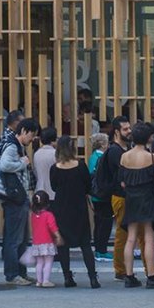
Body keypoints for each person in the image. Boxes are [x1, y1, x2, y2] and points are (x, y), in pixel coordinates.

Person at [118, 120, 154, 288]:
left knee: (130, 238)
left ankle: (129, 276)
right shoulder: (151, 157)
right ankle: (152, 276)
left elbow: (122, 183)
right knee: (148, 238)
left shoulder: (125, 156)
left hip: (131, 200)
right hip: (148, 200)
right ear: (148, 138)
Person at [49, 137, 101, 287]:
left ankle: (67, 277)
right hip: (79, 208)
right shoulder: (81, 165)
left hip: (61, 208)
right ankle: (92, 277)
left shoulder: (55, 168)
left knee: (63, 245)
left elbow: (53, 187)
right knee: (85, 244)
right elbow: (87, 185)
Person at [0, 113, 37, 285]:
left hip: (18, 197)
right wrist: (23, 163)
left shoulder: (15, 144)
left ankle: (20, 272)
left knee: (20, 238)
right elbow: (4, 165)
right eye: (32, 135)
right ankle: (13, 275)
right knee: (15, 239)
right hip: (14, 197)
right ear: (24, 131)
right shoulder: (12, 146)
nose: (32, 139)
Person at [99, 115, 131, 278]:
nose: (129, 131)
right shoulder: (115, 151)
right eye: (125, 129)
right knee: (122, 233)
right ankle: (120, 270)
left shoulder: (123, 149)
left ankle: (124, 268)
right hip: (120, 196)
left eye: (129, 128)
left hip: (125, 196)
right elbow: (121, 176)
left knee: (129, 233)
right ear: (117, 132)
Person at [86, 132, 114, 262]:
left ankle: (99, 249)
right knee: (105, 223)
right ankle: (101, 250)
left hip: (96, 194)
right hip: (102, 194)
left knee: (99, 223)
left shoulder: (93, 157)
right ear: (103, 144)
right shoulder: (101, 157)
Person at [28, 190, 62, 287]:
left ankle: (39, 281)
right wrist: (58, 236)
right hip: (47, 242)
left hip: (36, 242)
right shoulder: (48, 215)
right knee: (48, 262)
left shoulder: (33, 215)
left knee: (39, 262)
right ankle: (46, 280)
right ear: (47, 203)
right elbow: (53, 227)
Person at [33, 126, 58, 199]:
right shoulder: (55, 153)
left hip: (40, 190)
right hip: (53, 192)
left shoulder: (36, 154)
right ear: (53, 140)